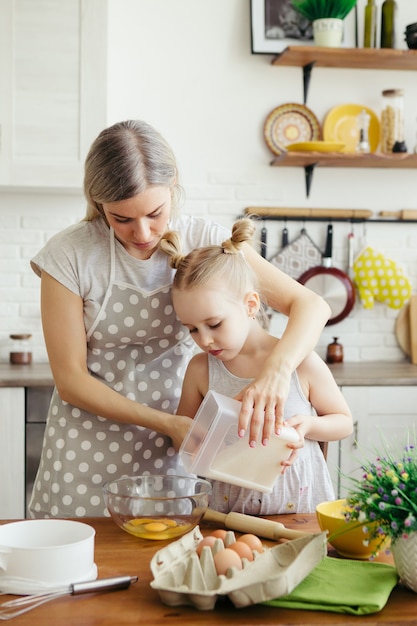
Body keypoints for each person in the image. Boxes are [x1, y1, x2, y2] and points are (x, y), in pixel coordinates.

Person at [28, 119, 330, 518]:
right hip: (86, 457)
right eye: (121, 219)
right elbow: (71, 381)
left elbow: (312, 305)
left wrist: (277, 370)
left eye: (155, 212)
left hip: (182, 450)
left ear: (173, 187)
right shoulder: (70, 255)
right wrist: (166, 423)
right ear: (98, 203)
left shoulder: (205, 239)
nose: (143, 232)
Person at [161, 218, 353, 514]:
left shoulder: (301, 361)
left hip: (299, 510)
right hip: (228, 515)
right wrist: (201, 441)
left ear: (250, 305)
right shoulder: (200, 370)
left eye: (214, 324)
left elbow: (342, 421)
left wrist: (310, 426)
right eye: (192, 329)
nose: (205, 340)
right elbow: (184, 439)